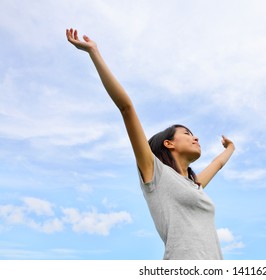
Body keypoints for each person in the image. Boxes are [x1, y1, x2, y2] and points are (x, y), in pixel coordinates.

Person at [66, 28, 235, 260]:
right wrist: (94, 52)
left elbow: (218, 164)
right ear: (168, 143)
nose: (195, 137)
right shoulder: (155, 173)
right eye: (187, 133)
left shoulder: (193, 185)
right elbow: (126, 108)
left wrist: (231, 148)